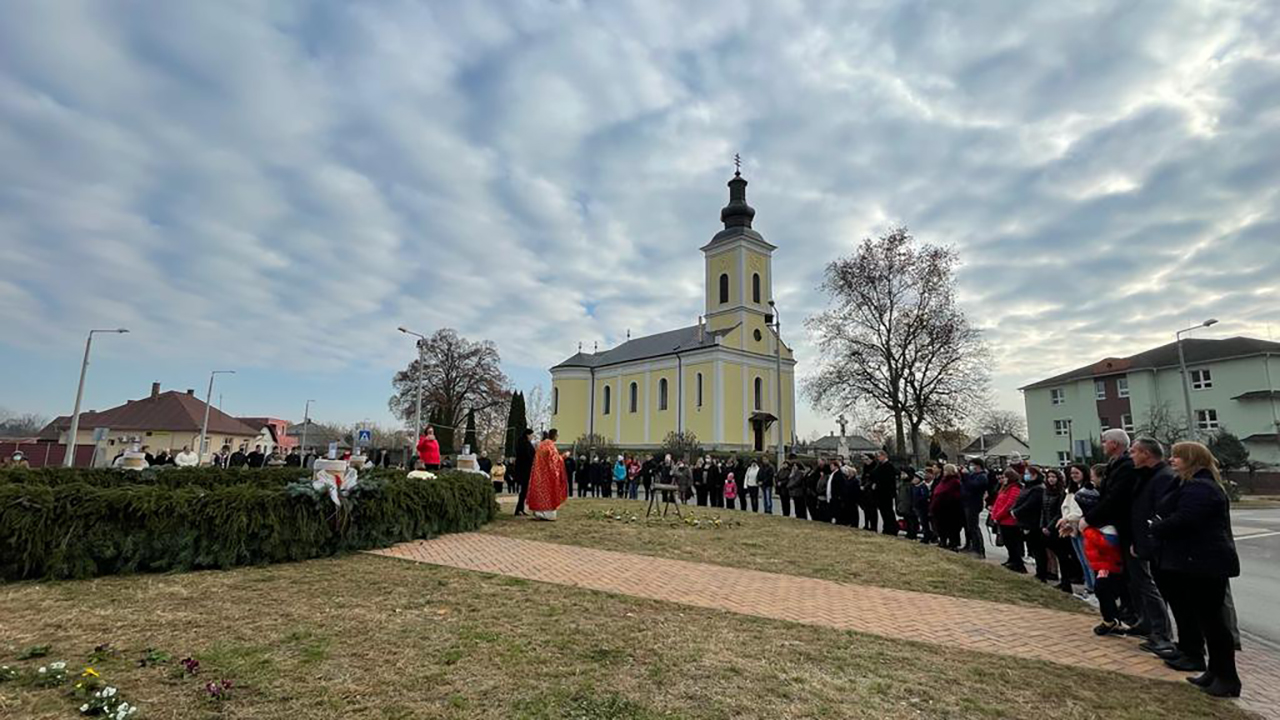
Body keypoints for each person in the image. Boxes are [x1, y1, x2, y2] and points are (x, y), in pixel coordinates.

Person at [1151, 441, 1242, 698]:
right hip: (1196, 562)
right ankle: (1215, 672)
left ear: (1192, 460)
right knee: (1206, 620)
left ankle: (1227, 677)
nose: (1172, 460)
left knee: (1214, 623)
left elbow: (1185, 519)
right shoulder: (1189, 484)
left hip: (1205, 564)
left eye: (1177, 457)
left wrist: (1158, 527)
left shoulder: (1202, 488)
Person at [1127, 436, 1178, 657]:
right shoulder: (1147, 476)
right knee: (1145, 585)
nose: (1131, 456)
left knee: (1154, 588)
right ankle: (1151, 627)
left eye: (1134, 452)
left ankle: (1162, 634)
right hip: (1142, 540)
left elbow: (1160, 513)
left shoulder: (1163, 477)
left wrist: (1146, 543)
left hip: (1155, 543)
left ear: (1146, 454)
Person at [1076, 486, 1128, 636]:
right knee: (1103, 591)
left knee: (1102, 589)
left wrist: (1087, 531)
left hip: (1108, 563)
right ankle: (1113, 619)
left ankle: (1110, 620)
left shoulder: (1104, 523)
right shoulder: (1090, 521)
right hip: (1099, 562)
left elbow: (1110, 543)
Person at [1013, 466, 1048, 580]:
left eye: (1029, 474)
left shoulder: (1038, 488)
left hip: (1033, 522)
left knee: (1038, 549)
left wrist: (1017, 512)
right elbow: (1019, 500)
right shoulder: (1027, 487)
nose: (1026, 475)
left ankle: (1041, 573)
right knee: (1034, 547)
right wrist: (1014, 510)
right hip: (1025, 521)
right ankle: (1039, 572)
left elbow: (1031, 504)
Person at [525, 429, 568, 521]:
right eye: (557, 435)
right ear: (554, 435)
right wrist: (564, 456)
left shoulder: (541, 444)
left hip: (539, 474)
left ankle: (538, 512)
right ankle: (547, 514)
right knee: (548, 494)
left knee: (540, 493)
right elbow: (555, 461)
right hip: (548, 475)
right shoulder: (550, 445)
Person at [992, 468, 1026, 573]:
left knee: (1012, 543)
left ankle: (1018, 563)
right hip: (1002, 520)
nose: (1004, 479)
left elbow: (1009, 505)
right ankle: (1011, 559)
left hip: (1010, 521)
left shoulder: (1015, 488)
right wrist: (994, 514)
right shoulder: (1005, 488)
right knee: (1007, 542)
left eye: (1005, 477)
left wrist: (998, 515)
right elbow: (998, 501)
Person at [961, 459, 989, 558]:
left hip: (974, 504)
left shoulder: (982, 476)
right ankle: (972, 546)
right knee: (969, 527)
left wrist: (966, 476)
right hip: (967, 502)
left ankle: (979, 549)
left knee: (974, 527)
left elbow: (972, 486)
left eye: (972, 465)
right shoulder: (974, 475)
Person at [872, 451, 898, 535]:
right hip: (880, 493)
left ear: (884, 456)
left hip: (886, 493)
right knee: (883, 511)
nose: (878, 458)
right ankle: (886, 527)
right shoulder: (879, 466)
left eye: (879, 456)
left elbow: (888, 480)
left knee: (888, 511)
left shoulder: (888, 466)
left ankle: (892, 528)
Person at [512, 428, 535, 516]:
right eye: (532, 435)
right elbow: (529, 457)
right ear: (527, 435)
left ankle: (521, 508)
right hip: (525, 471)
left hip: (524, 470)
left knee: (524, 491)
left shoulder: (523, 444)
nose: (532, 437)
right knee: (524, 491)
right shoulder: (525, 444)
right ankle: (519, 509)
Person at [897, 468, 917, 539]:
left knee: (912, 521)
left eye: (903, 474)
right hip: (904, 505)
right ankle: (909, 532)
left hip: (909, 506)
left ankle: (912, 533)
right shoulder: (902, 485)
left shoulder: (910, 485)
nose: (901, 475)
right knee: (907, 521)